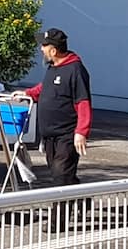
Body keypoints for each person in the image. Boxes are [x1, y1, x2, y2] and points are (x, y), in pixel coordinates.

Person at [22, 29, 92, 190]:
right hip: (49, 136)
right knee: (60, 174)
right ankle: (81, 198)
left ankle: (58, 215)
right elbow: (46, 88)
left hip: (66, 135)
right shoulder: (53, 67)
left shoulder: (75, 70)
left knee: (61, 177)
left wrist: (81, 132)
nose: (41, 49)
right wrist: (28, 93)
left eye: (44, 46)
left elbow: (83, 102)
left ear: (53, 50)